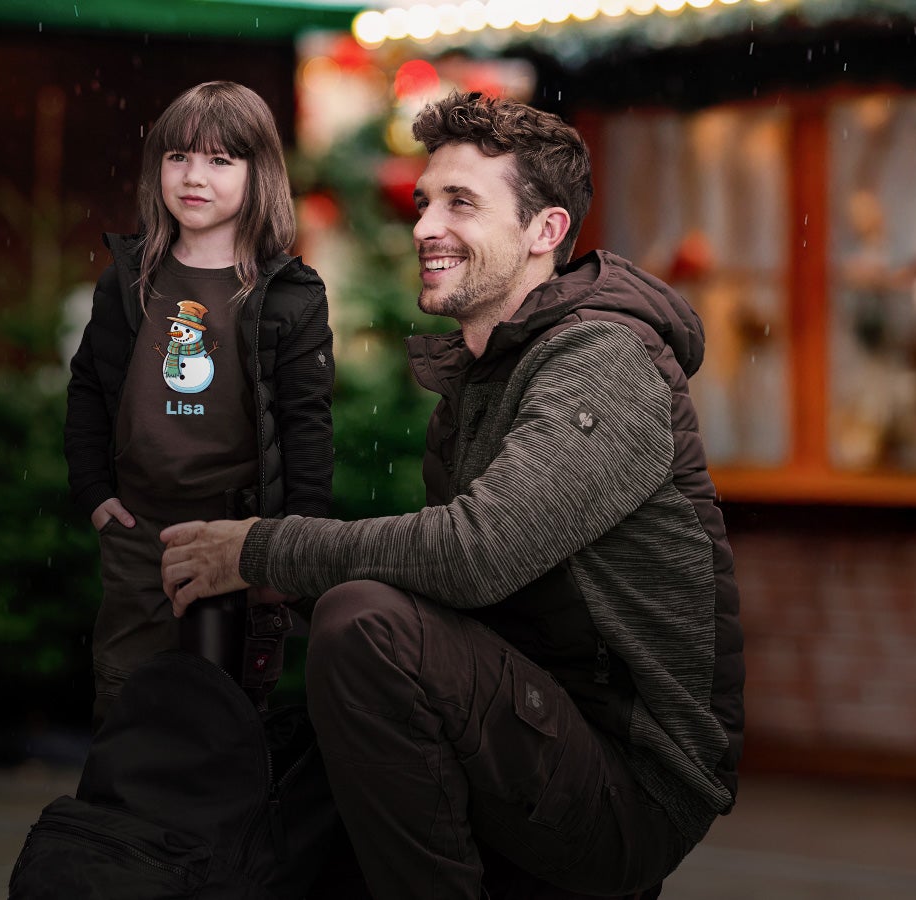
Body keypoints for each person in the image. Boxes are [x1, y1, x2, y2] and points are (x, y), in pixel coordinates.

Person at [159, 92, 743, 898]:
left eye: (461, 203)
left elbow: (476, 554)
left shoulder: (603, 360)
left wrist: (261, 550)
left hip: (630, 784)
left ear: (545, 231)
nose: (426, 226)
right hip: (531, 729)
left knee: (366, 626)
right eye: (425, 202)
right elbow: (458, 592)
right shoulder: (484, 378)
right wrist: (277, 584)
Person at [64, 81, 333, 723]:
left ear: (258, 174)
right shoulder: (126, 281)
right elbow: (88, 390)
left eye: (220, 160)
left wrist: (291, 549)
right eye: (178, 156)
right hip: (139, 532)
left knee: (224, 716)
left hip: (238, 538)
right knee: (126, 706)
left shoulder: (290, 295)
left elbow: (308, 428)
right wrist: (94, 493)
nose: (193, 176)